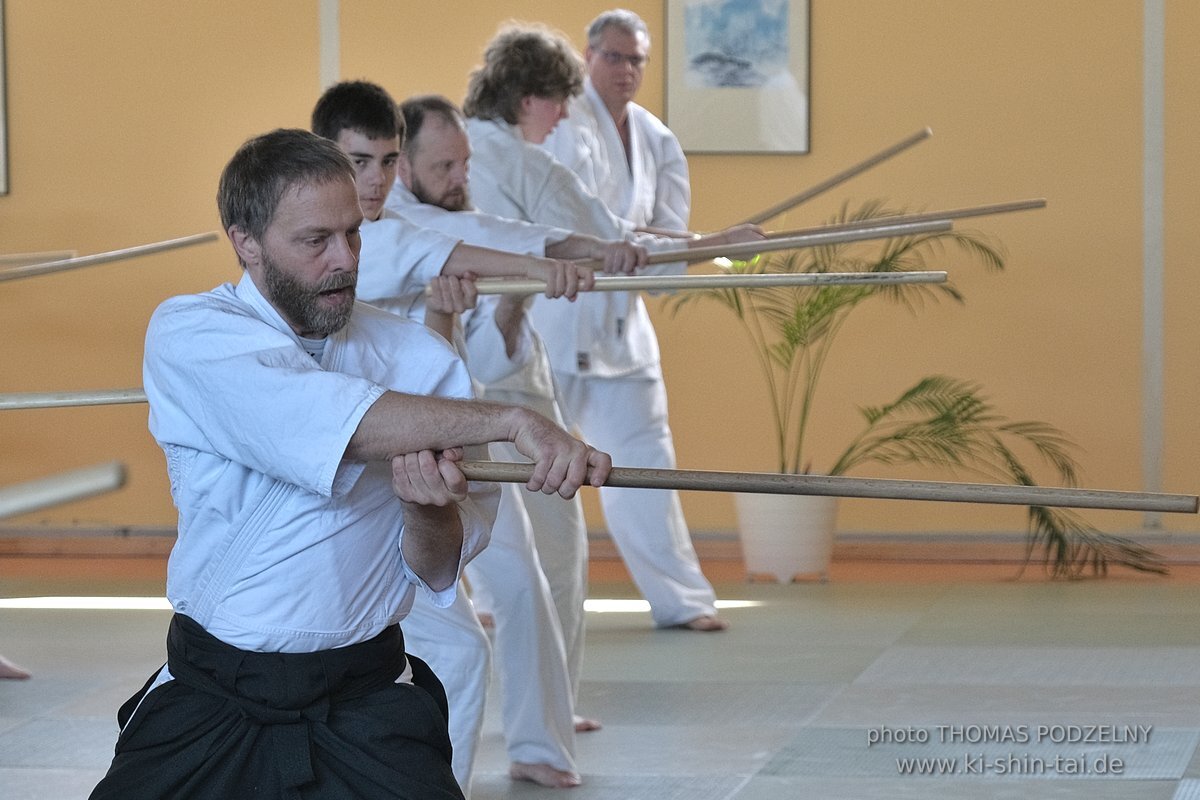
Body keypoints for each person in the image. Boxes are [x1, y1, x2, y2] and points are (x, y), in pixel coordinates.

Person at [88, 128, 610, 800]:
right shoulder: (192, 333)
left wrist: (425, 510)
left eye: (354, 235)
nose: (344, 260)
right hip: (213, 693)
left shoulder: (419, 361)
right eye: (315, 241)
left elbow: (434, 566)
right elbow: (336, 420)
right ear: (245, 240)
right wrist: (513, 420)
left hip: (363, 702)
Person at [311, 80, 604, 790]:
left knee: (503, 601)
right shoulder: (331, 242)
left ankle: (519, 753)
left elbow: (439, 345)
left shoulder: (392, 234)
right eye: (359, 161)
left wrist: (461, 311)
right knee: (432, 651)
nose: (374, 178)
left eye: (386, 161)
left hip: (432, 453)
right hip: (346, 478)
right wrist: (554, 267)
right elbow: (461, 255)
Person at [463, 22, 763, 631]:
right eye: (614, 57)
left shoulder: (652, 137)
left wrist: (709, 245)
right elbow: (565, 234)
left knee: (643, 467)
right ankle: (502, 602)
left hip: (615, 328)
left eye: (637, 60)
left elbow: (614, 234)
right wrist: (704, 245)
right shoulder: (519, 147)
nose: (625, 69)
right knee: (516, 485)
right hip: (539, 328)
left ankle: (679, 599)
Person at [387, 94, 649, 746]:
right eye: (442, 165)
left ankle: (541, 745)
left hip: (466, 433)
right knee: (443, 645)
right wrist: (576, 254)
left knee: (522, 581)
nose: (459, 178)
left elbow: (488, 265)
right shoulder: (379, 236)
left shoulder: (438, 228)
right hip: (381, 455)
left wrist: (525, 291)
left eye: (463, 163)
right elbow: (489, 245)